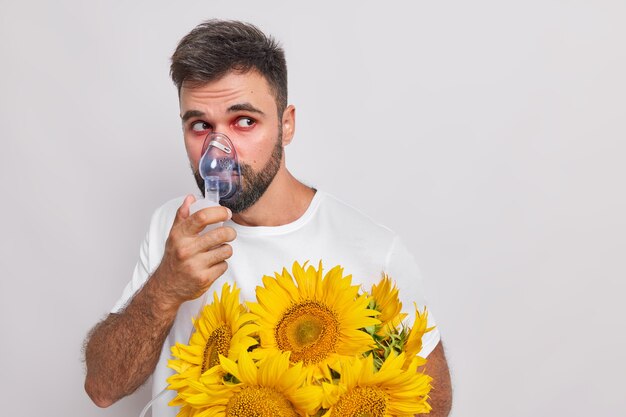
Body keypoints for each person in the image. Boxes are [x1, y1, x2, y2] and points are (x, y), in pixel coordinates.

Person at [83, 19, 452, 417]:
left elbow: (431, 403)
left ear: (286, 124)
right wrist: (167, 288)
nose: (217, 150)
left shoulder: (373, 251)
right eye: (200, 125)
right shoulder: (170, 229)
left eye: (244, 121)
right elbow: (103, 388)